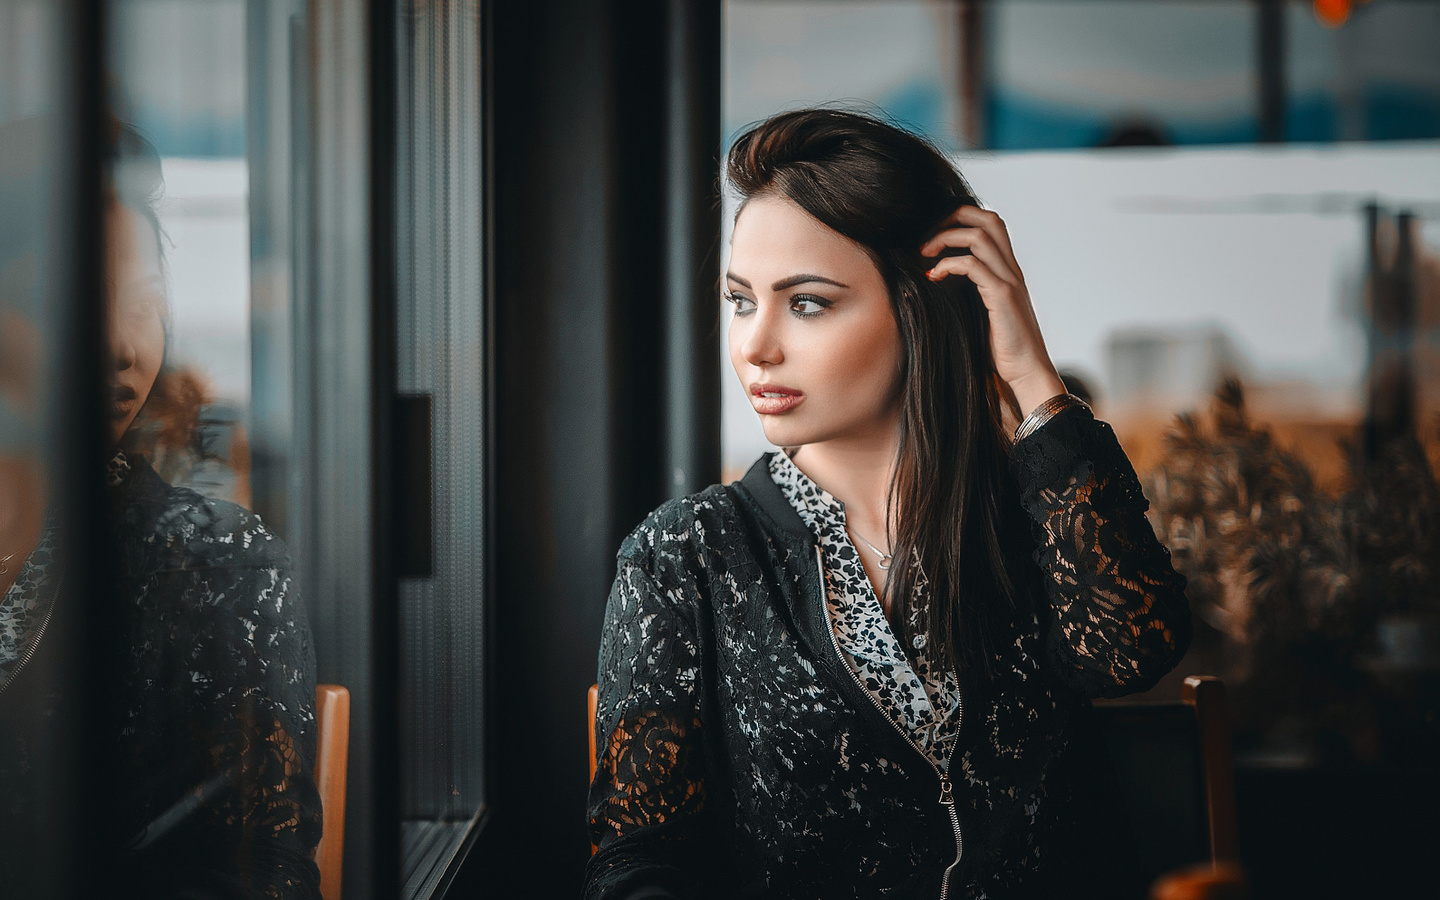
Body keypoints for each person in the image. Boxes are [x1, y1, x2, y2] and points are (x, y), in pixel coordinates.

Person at [585, 109, 1191, 900]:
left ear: (917, 307)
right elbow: (638, 862)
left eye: (806, 303)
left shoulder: (1028, 520)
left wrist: (1032, 376)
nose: (755, 345)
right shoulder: (684, 558)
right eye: (741, 300)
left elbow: (1130, 651)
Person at [0, 119, 321, 899]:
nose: (122, 345)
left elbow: (254, 874)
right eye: (75, 297)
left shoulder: (215, 567)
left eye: (146, 302)